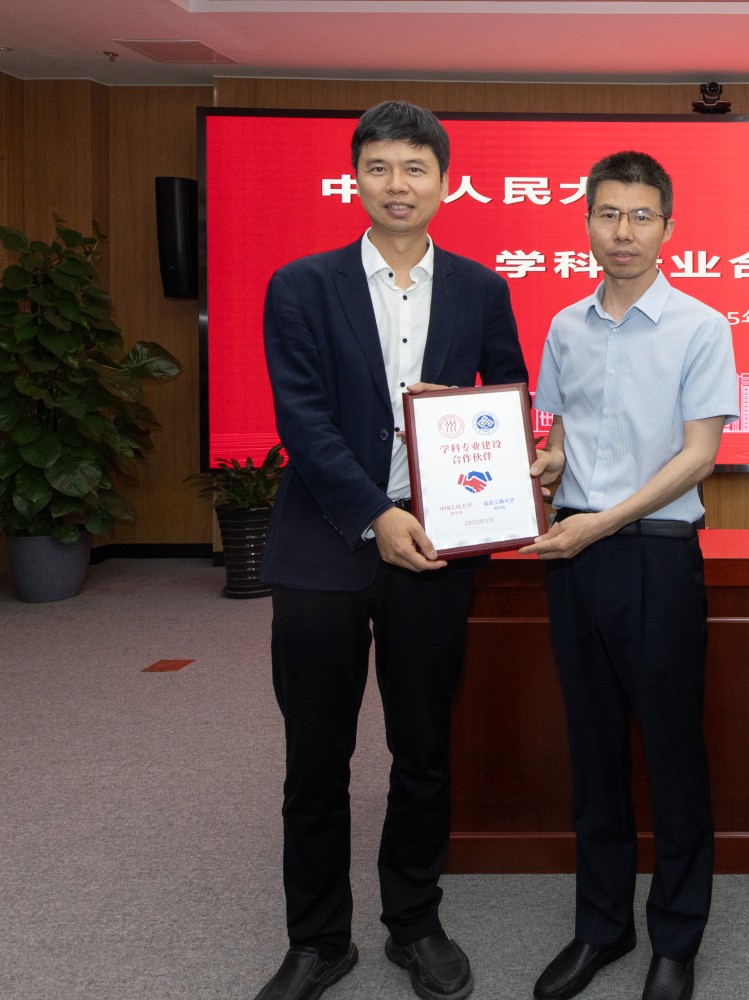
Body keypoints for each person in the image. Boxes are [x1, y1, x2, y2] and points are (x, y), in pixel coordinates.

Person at [256, 100, 526, 1000]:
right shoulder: (301, 285)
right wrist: (376, 512)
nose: (397, 184)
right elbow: (303, 420)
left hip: (440, 545)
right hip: (326, 545)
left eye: (415, 168)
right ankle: (316, 939)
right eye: (379, 168)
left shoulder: (482, 288)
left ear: (445, 182)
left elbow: (510, 391)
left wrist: (497, 431)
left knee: (423, 747)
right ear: (355, 178)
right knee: (315, 756)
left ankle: (415, 922)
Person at [521, 150, 738, 1000]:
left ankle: (676, 939)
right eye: (608, 214)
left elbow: (699, 456)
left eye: (641, 216)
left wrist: (599, 522)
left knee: (673, 752)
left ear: (668, 228)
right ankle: (601, 926)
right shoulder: (565, 326)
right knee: (593, 747)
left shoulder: (700, 325)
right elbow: (564, 431)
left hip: (654, 553)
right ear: (586, 223)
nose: (624, 231)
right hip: (575, 553)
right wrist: (548, 464)